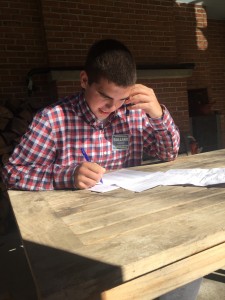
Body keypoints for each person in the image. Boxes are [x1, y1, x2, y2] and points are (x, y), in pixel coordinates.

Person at [2, 39, 202, 299]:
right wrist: (67, 175)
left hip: (133, 221)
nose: (112, 108)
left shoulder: (132, 113)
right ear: (85, 80)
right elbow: (12, 172)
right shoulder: (54, 119)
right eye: (106, 97)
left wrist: (157, 114)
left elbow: (168, 153)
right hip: (79, 232)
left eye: (121, 99)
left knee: (186, 269)